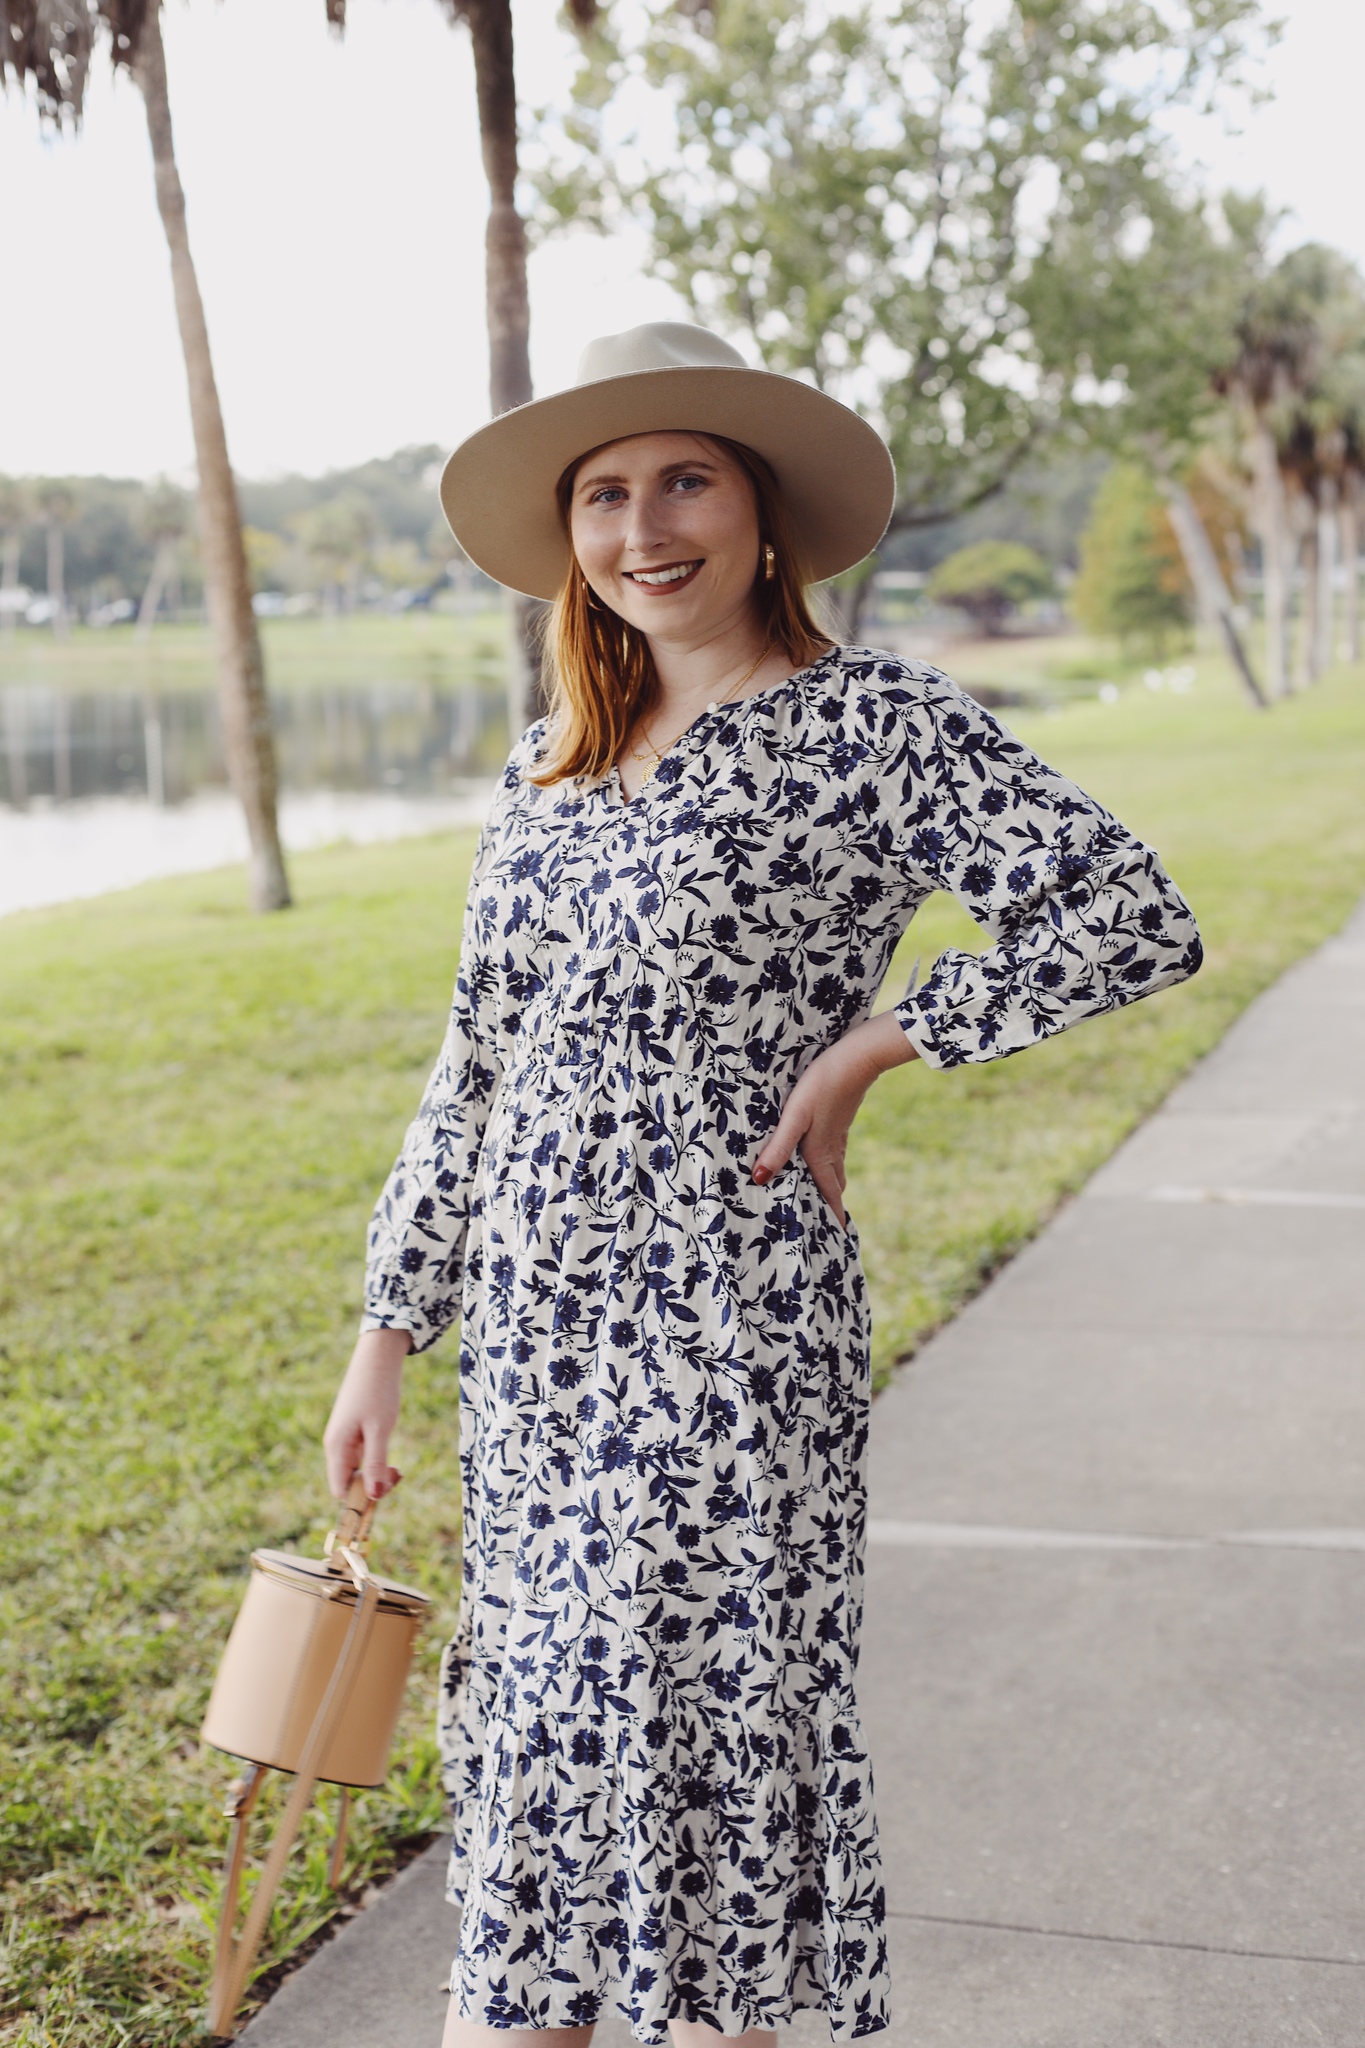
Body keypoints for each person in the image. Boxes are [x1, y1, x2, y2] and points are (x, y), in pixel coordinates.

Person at [323, 323, 1202, 2048]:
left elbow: (1126, 912)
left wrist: (877, 1044)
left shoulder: (871, 721)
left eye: (684, 481)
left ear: (763, 509)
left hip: (729, 1317)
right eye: (603, 494)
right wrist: (386, 1327)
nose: (643, 528)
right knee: (552, 1738)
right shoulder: (549, 763)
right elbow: (476, 1060)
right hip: (532, 1336)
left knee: (693, 1720)